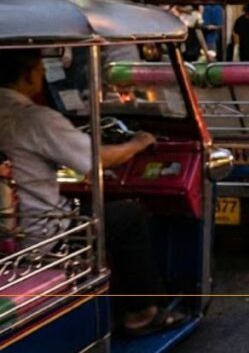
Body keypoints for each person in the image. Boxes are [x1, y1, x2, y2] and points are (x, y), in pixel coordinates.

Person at [0, 49, 186, 336]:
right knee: (128, 215)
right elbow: (95, 159)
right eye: (40, 69)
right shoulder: (34, 119)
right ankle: (141, 312)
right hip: (42, 238)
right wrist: (137, 144)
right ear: (28, 74)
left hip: (8, 237)